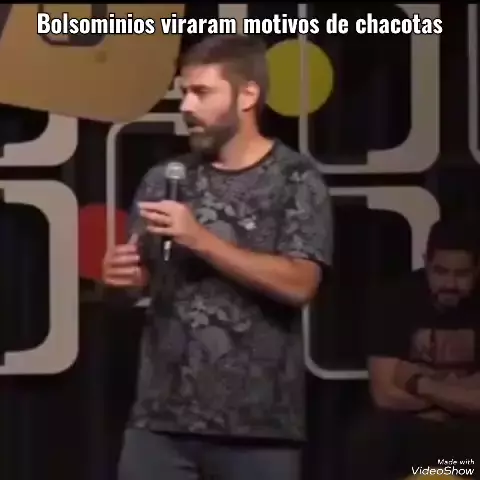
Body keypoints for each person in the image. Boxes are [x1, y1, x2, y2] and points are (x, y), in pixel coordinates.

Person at [102, 34, 333, 480]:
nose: (187, 106)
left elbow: (301, 283)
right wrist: (119, 281)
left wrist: (201, 239)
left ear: (248, 95)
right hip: (159, 425)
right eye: (184, 93)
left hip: (258, 431)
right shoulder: (164, 179)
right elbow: (133, 288)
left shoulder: (296, 179)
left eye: (201, 92)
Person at [346, 219, 480, 480]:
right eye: (440, 271)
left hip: (467, 431)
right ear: (426, 263)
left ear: (478, 269)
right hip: (409, 425)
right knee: (369, 439)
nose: (450, 283)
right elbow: (385, 394)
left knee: (466, 458)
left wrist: (418, 383)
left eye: (462, 274)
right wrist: (459, 393)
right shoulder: (395, 299)